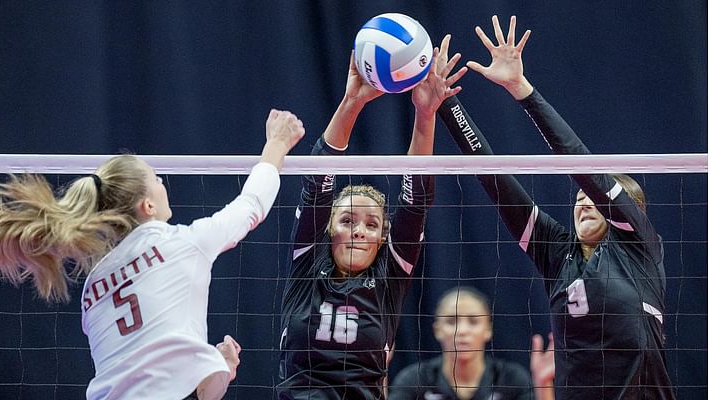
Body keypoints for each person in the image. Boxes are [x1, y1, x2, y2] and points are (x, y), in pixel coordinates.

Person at [0, 109, 306, 400]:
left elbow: (167, 379)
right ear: (147, 204)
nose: (164, 183)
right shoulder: (185, 243)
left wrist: (214, 366)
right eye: (156, 178)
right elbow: (252, 205)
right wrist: (276, 144)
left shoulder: (92, 289)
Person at [435, 15, 675, 399]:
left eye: (592, 198)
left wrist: (522, 89)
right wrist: (446, 105)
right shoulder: (557, 254)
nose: (582, 202)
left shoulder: (640, 248)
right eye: (578, 199)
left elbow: (580, 164)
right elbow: (495, 179)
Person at [276, 35, 465, 400]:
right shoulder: (306, 265)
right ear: (329, 229)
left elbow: (415, 202)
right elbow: (318, 182)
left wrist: (425, 113)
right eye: (348, 221)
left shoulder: (389, 277)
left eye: (372, 224)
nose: (359, 231)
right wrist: (352, 101)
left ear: (383, 238)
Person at [388, 286, 555, 400]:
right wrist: (379, 372)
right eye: (451, 321)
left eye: (473, 321)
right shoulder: (415, 379)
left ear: (488, 330)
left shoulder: (511, 379)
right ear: (437, 330)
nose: (462, 331)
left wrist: (544, 384)